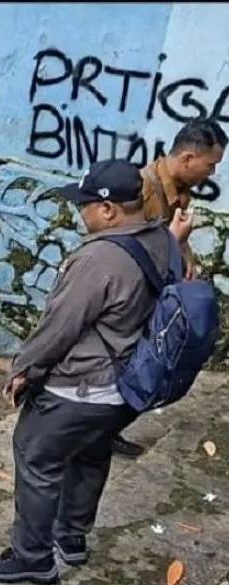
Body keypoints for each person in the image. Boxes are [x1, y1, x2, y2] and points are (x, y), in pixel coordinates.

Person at [0, 160, 168, 585]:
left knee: (35, 457)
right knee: (90, 456)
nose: (79, 213)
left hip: (81, 387)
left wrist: (24, 370)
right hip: (125, 386)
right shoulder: (160, 239)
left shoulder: (98, 259)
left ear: (108, 210)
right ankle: (72, 537)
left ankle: (32, 556)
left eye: (84, 205)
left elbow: (60, 326)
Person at [112, 119, 224, 458]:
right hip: (130, 299)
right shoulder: (142, 189)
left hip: (157, 294)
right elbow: (122, 252)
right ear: (188, 158)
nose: (212, 173)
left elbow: (172, 242)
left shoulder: (178, 191)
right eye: (210, 165)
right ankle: (98, 431)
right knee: (129, 367)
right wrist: (175, 245)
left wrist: (185, 256)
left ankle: (109, 428)